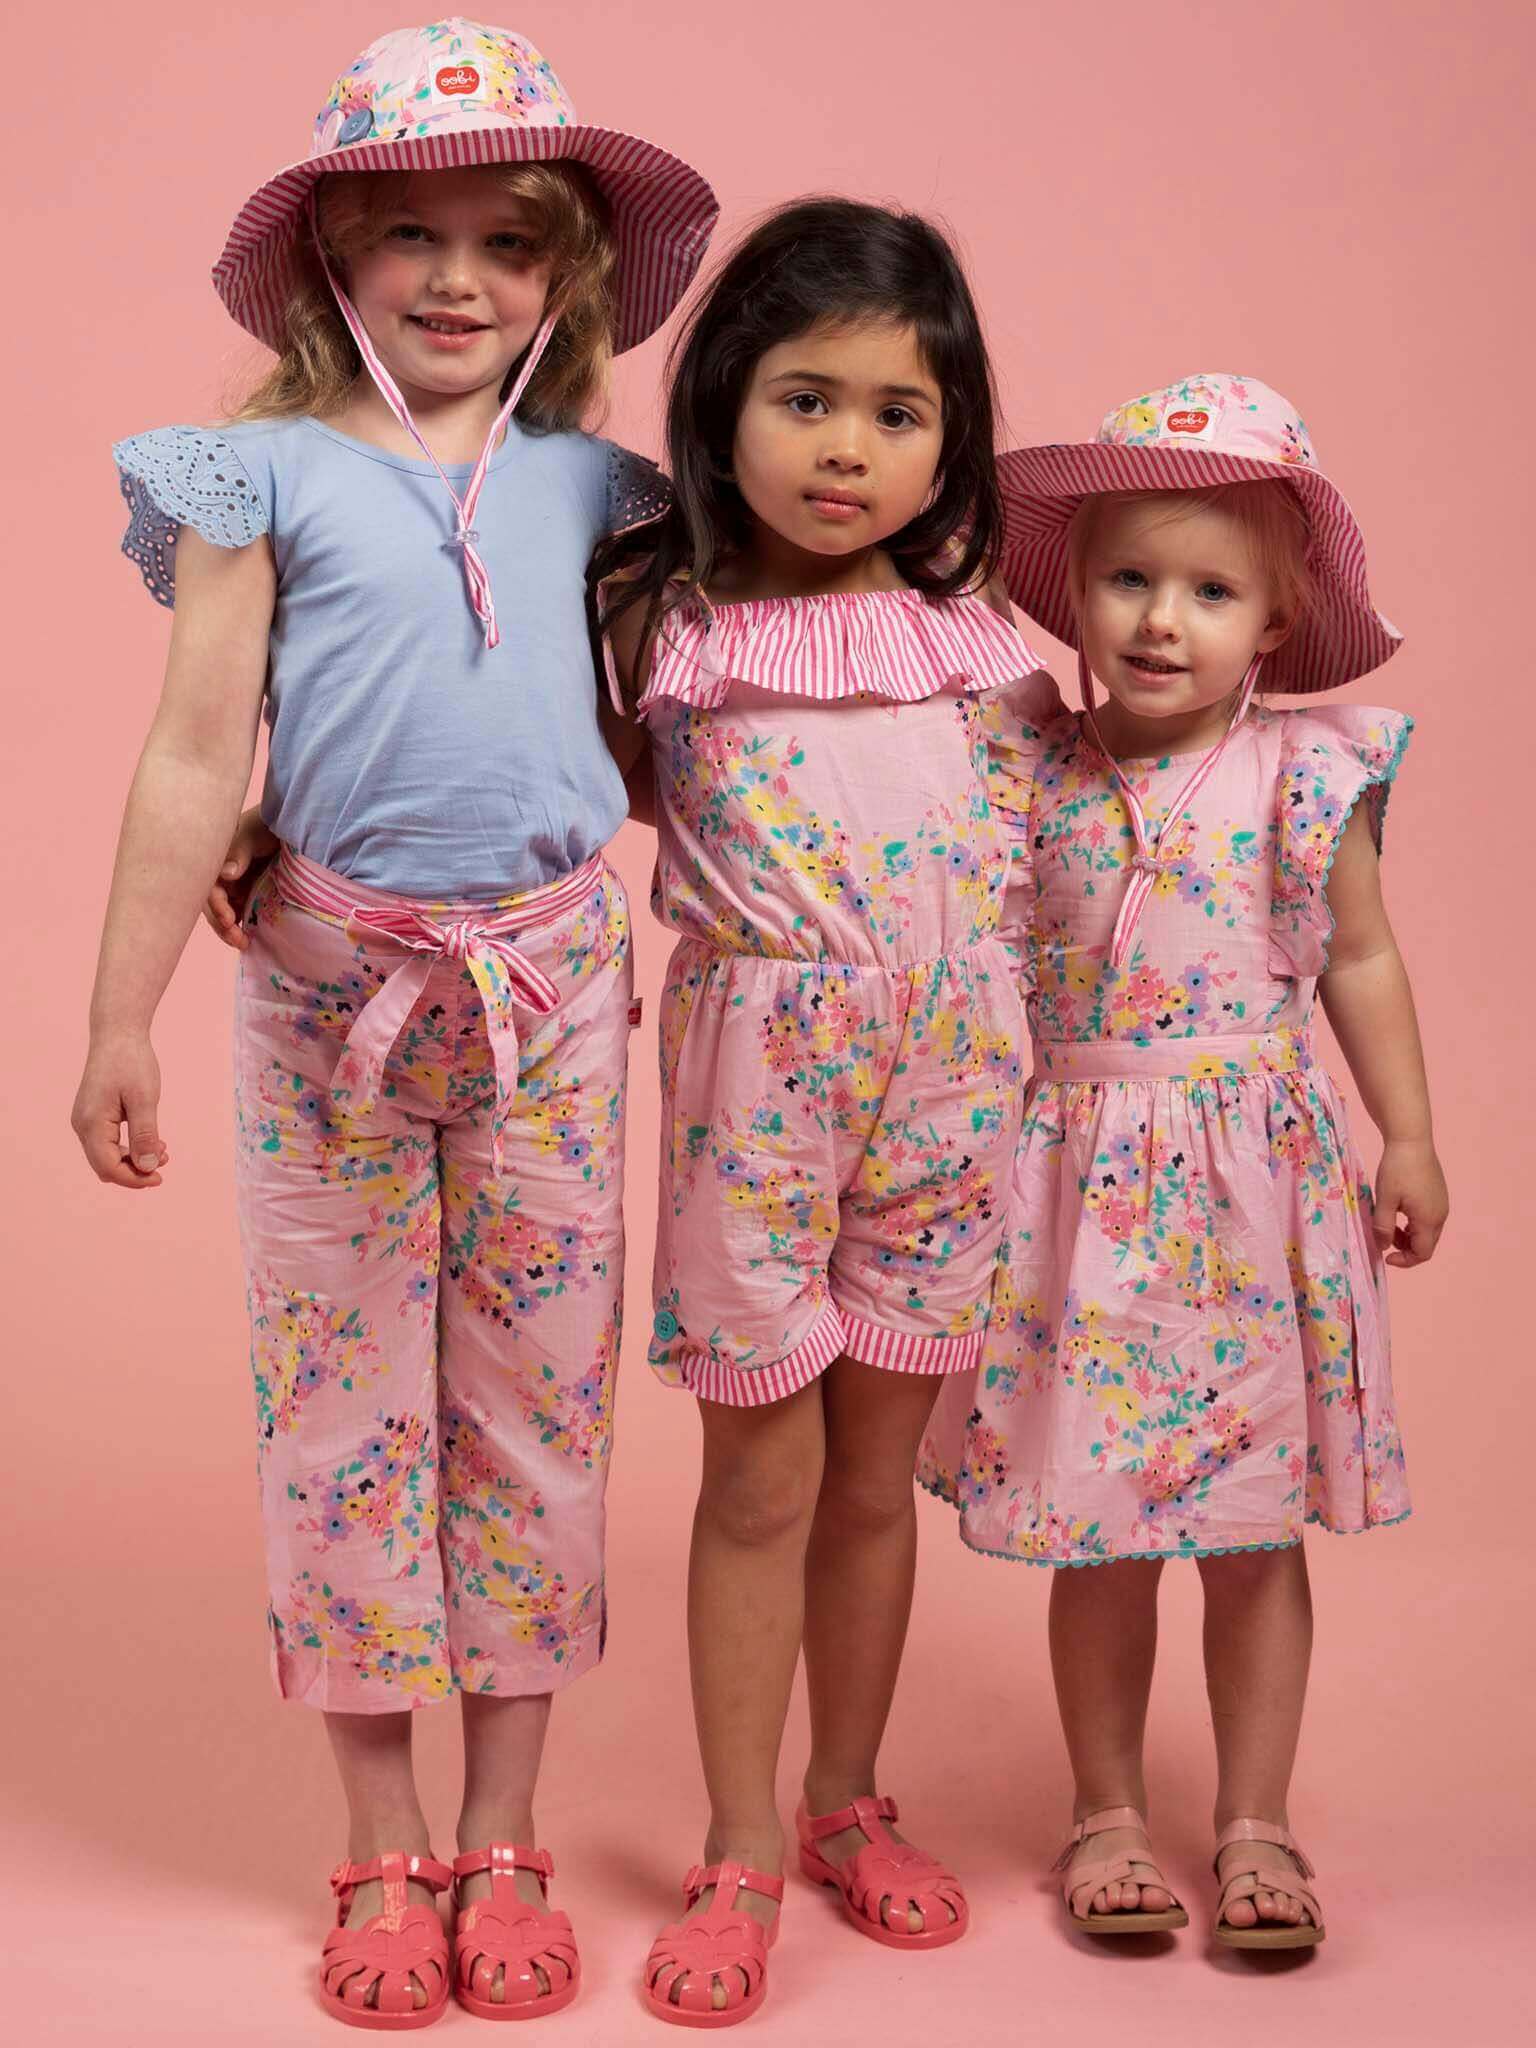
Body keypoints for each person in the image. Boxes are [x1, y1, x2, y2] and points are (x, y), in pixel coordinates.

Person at [71, 19, 714, 2027]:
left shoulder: (605, 492)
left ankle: (507, 1826)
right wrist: (121, 1018)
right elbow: (193, 756)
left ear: (566, 278)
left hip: (553, 1009)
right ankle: (376, 1839)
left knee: (534, 1407)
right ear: (331, 259)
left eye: (507, 243)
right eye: (412, 234)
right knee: (343, 1418)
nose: (458, 278)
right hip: (323, 1007)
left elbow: (654, 743)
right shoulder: (251, 477)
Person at [921, 373, 1449, 1948]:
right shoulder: (1027, 764)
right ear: (1071, 593)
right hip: (1077, 1180)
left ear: (1276, 622)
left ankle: (1256, 1825)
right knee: (1103, 1523)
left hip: (1248, 1190)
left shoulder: (1306, 774)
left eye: (1211, 592)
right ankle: (1104, 1815)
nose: (1163, 621)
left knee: (1246, 1523)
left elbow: (1359, 959)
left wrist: (1408, 1130)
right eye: (1130, 581)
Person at [593, 198, 1042, 2025]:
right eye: (803, 398)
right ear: (718, 406)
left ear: (950, 442)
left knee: (878, 1482)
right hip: (754, 1094)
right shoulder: (662, 625)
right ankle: (737, 1844)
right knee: (761, 1479)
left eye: (895, 411)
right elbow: (521, 792)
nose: (847, 447)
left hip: (954, 1089)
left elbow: (1059, 877)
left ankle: (846, 1799)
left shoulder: (990, 646)